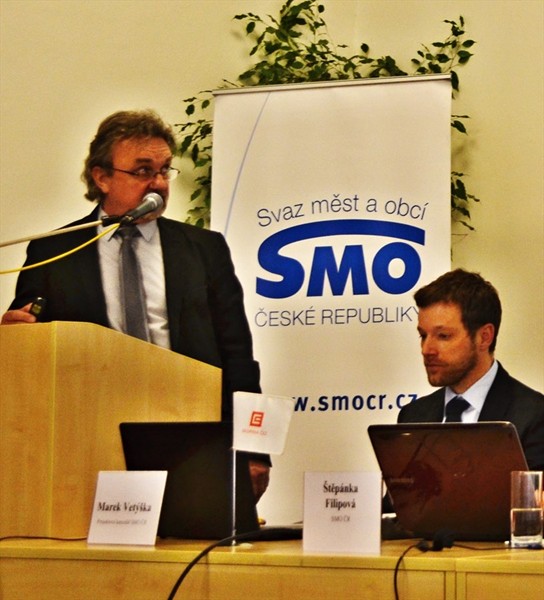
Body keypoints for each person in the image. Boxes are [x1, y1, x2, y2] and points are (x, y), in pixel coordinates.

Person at [1, 109, 270, 500]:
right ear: (102, 177)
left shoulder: (204, 250)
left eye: (164, 170)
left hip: (191, 431)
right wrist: (17, 337)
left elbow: (238, 356)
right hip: (88, 437)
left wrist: (253, 450)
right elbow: (33, 349)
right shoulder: (54, 252)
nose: (158, 183)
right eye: (143, 171)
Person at [398, 268, 544, 470]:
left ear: (484, 337)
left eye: (443, 336)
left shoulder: (534, 416)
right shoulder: (412, 417)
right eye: (423, 336)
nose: (426, 349)